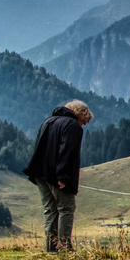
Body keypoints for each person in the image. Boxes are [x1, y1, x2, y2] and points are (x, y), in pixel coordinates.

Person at [23, 100, 92, 252]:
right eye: (83, 121)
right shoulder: (72, 125)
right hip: (57, 175)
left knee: (50, 210)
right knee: (66, 208)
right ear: (80, 115)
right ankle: (65, 247)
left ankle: (51, 248)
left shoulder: (48, 121)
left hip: (40, 173)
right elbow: (67, 151)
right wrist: (63, 177)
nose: (82, 125)